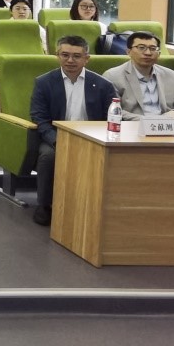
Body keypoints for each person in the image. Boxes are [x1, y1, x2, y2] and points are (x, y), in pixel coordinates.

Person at [30, 35, 116, 226]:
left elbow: (111, 117)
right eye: (65, 55)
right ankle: (44, 205)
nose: (70, 60)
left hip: (93, 137)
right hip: (56, 137)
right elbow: (39, 118)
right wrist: (56, 140)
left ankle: (98, 205)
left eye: (77, 56)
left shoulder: (103, 85)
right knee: (48, 157)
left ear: (87, 58)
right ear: (57, 56)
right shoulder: (44, 82)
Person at [103, 31, 174, 121]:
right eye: (141, 48)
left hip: (167, 126)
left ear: (159, 53)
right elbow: (114, 111)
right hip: (132, 126)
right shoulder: (112, 76)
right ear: (128, 52)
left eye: (152, 48)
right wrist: (150, 121)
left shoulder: (172, 76)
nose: (148, 53)